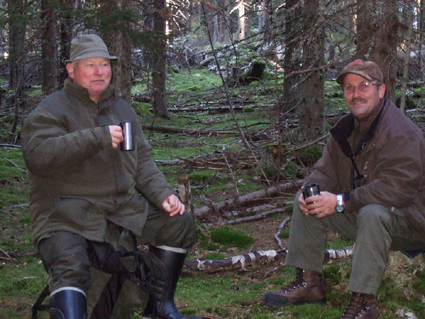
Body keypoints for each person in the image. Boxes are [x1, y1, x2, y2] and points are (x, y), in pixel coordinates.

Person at [21, 34, 199, 319]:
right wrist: (96, 138)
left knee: (178, 224)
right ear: (71, 69)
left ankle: (160, 308)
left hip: (119, 211)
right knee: (71, 264)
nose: (99, 72)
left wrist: (164, 194)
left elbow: (140, 160)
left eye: (104, 64)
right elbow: (39, 156)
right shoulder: (51, 110)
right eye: (89, 65)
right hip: (64, 214)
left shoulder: (121, 109)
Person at [263, 60, 425, 318]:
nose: (356, 94)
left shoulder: (400, 132)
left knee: (372, 213)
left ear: (381, 90)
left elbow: (397, 190)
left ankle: (364, 302)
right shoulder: (346, 130)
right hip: (368, 212)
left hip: (411, 222)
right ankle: (310, 283)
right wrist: (310, 191)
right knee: (307, 199)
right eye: (349, 88)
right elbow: (324, 172)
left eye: (364, 86)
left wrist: (340, 201)